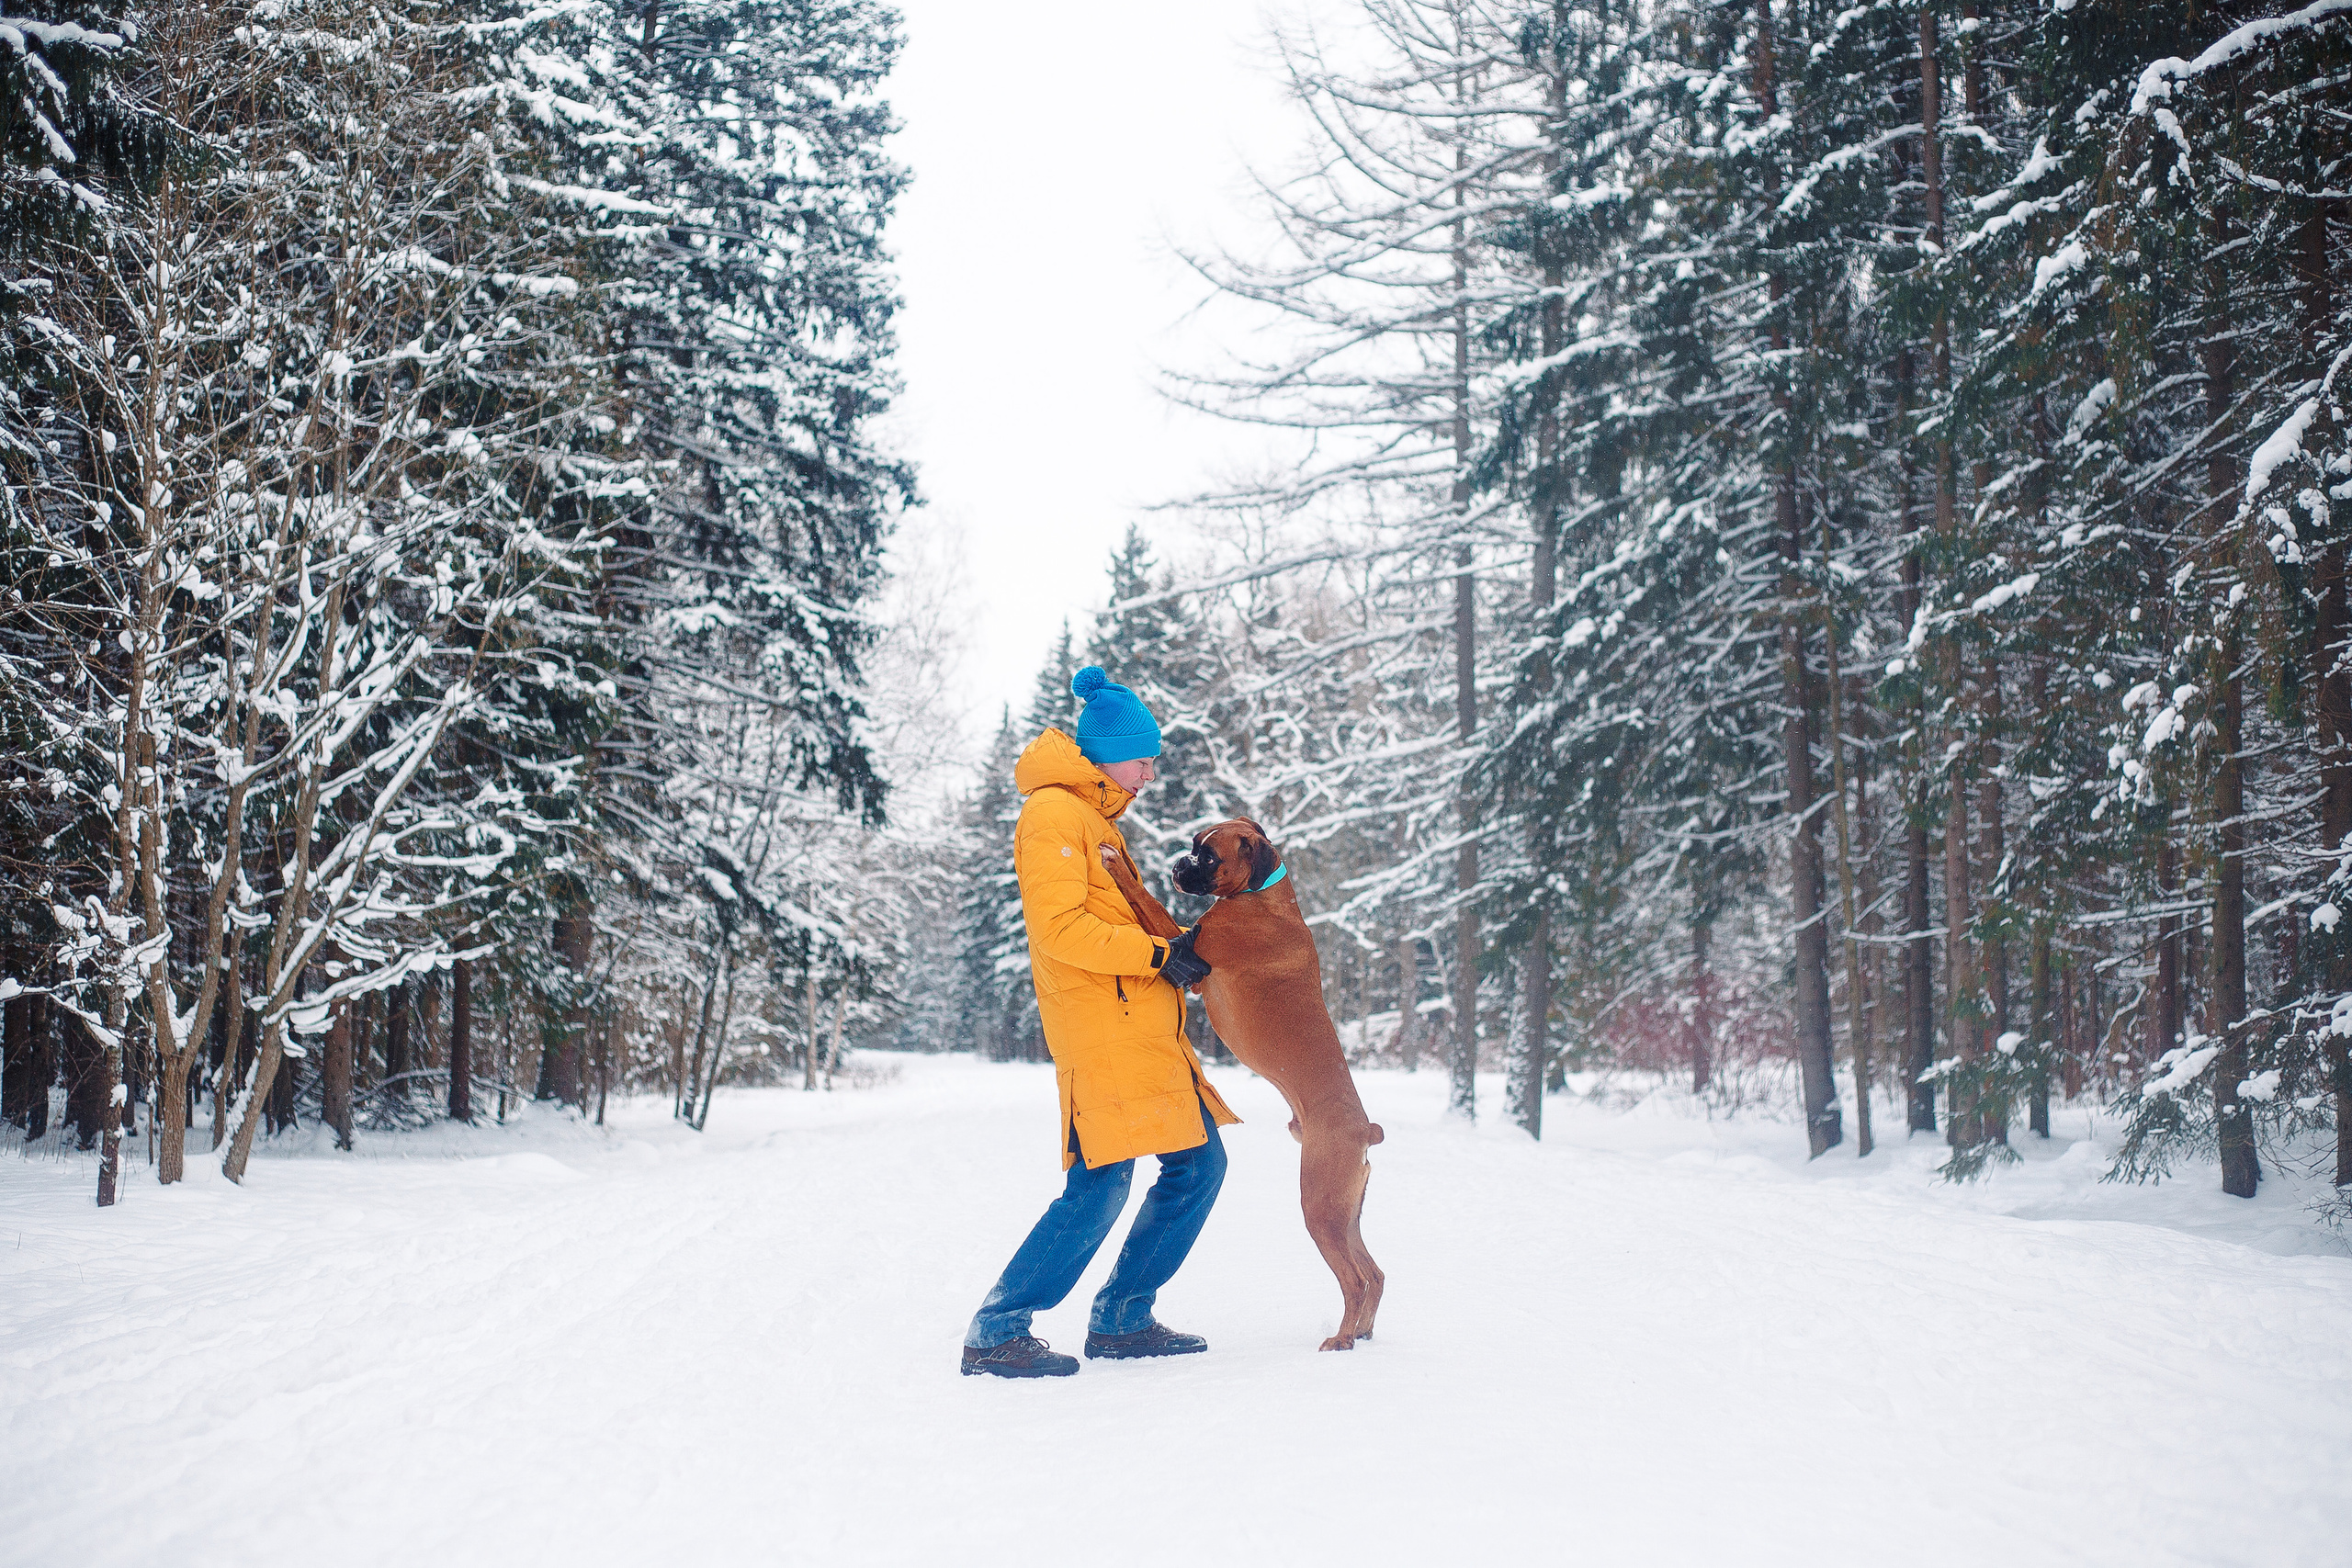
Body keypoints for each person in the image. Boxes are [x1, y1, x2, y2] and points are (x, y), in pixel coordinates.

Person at [960, 666, 1240, 1378]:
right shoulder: (1053, 814)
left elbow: (1118, 917)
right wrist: (1155, 954)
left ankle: (1122, 1316)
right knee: (1104, 1181)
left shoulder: (1095, 821)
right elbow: (1059, 928)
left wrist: (1181, 949)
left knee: (1198, 1163)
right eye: (1144, 757)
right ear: (1109, 751)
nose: (1150, 771)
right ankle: (997, 1328)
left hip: (1141, 1026)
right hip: (1103, 1029)